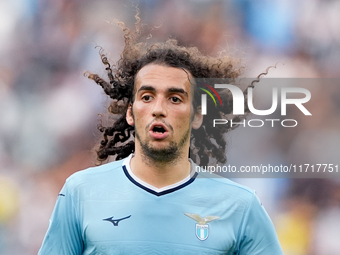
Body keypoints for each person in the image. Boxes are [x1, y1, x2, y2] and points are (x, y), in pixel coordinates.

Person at [38, 21, 283, 255]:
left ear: (197, 116)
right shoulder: (80, 192)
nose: (158, 109)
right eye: (146, 97)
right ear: (130, 112)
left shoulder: (240, 206)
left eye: (175, 98)